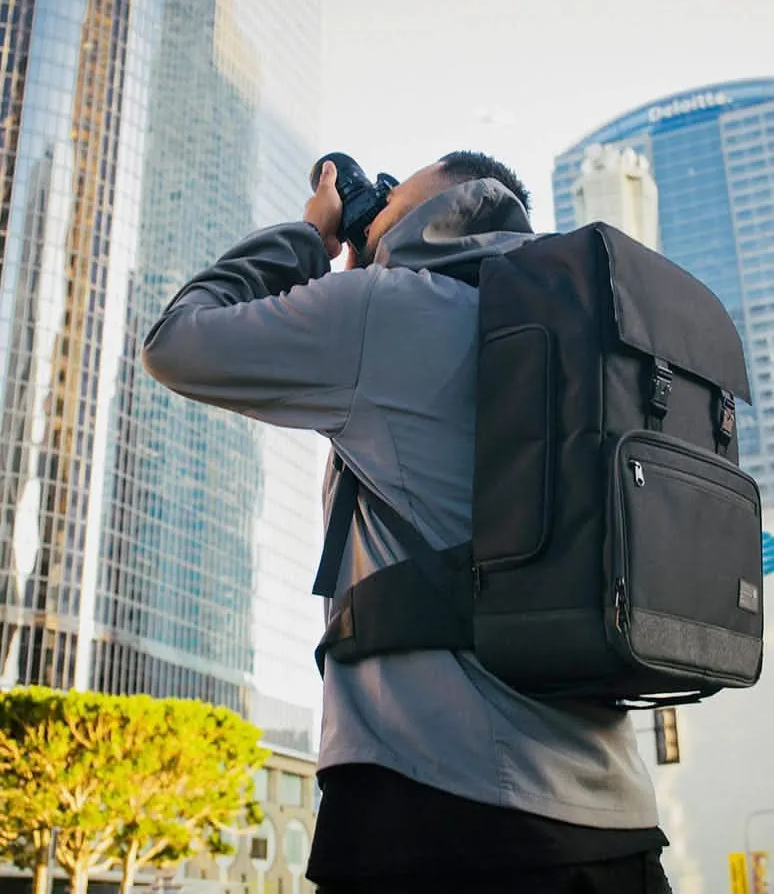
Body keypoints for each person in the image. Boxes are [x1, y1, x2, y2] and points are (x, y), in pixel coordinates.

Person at [142, 151, 672, 894]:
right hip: (620, 827)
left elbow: (176, 343)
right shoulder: (578, 342)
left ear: (436, 209)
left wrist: (310, 239)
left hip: (438, 814)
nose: (376, 202)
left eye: (392, 195)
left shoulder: (384, 308)